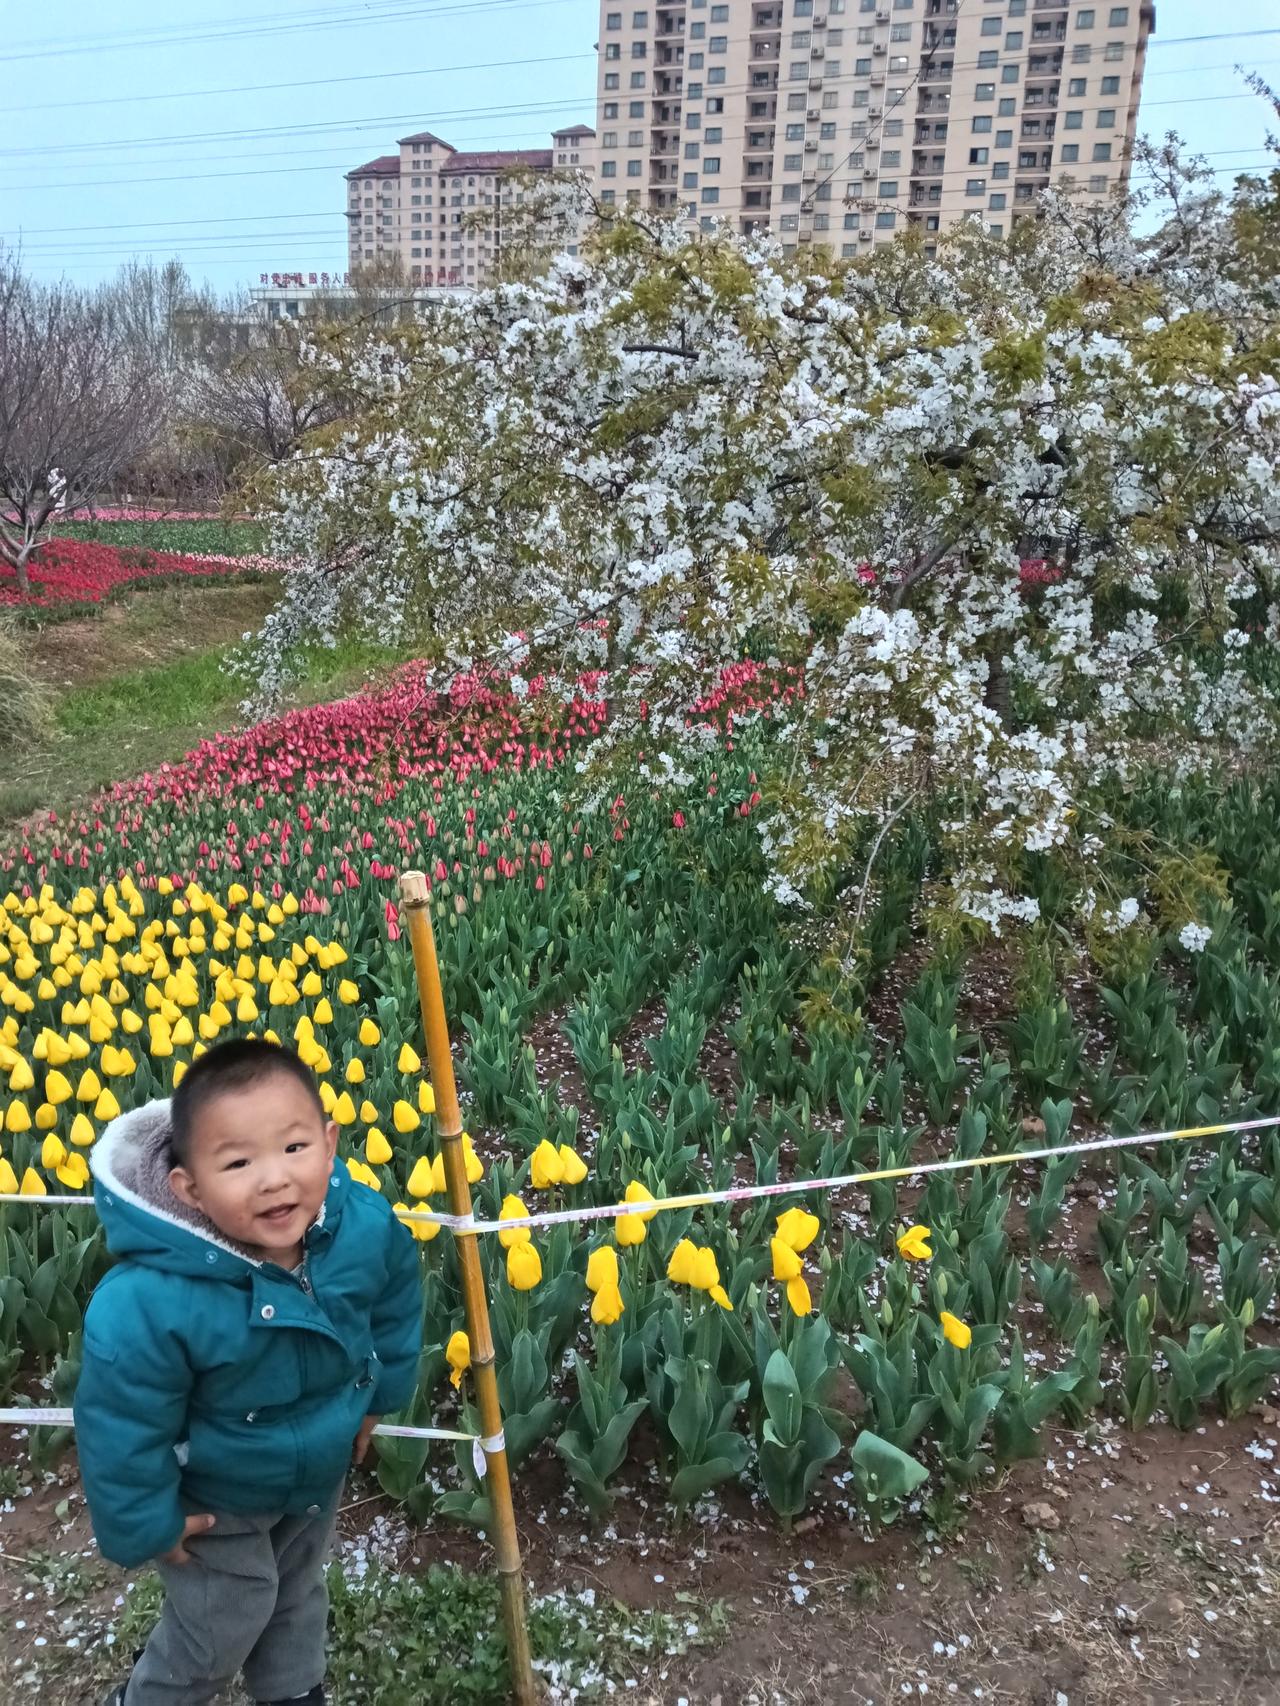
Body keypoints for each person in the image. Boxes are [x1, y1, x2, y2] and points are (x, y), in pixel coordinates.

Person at [73, 1036, 426, 1706]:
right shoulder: (150, 1301)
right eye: (237, 1162)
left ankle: (294, 1694)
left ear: (329, 1142)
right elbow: (119, 1423)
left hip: (313, 1473)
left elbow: (394, 1302)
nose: (274, 1178)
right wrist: (146, 1521)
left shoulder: (362, 1228)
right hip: (214, 1491)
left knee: (296, 1593)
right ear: (190, 1187)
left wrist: (380, 1394)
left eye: (294, 1148)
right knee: (221, 1620)